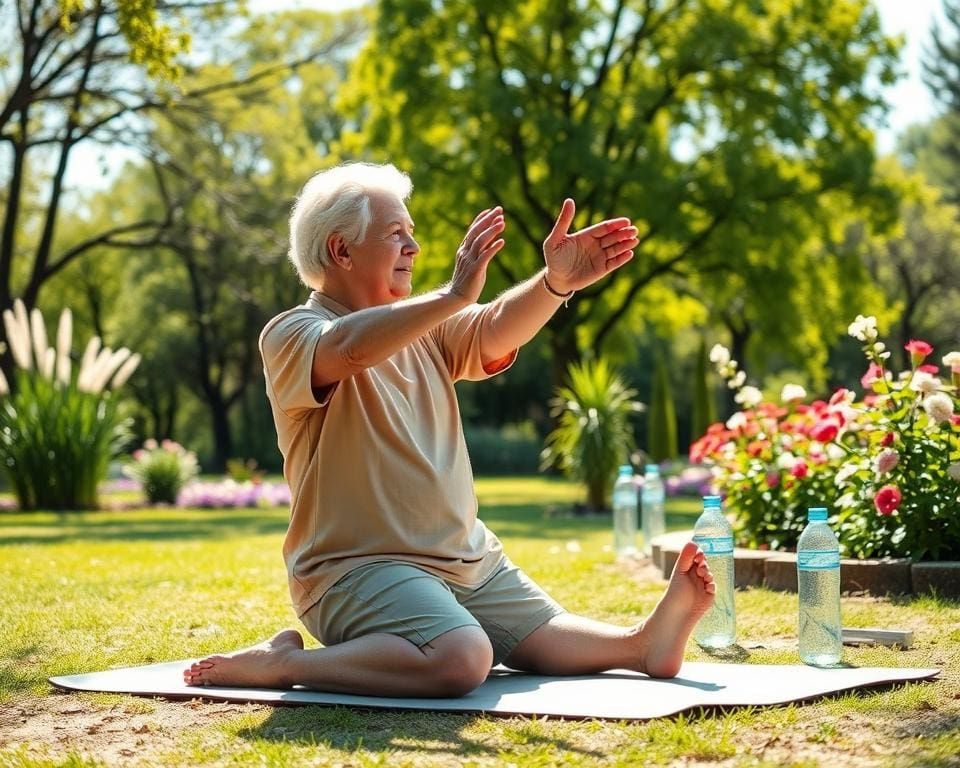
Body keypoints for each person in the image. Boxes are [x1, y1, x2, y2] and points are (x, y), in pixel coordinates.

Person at [183, 162, 716, 697]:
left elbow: (493, 325)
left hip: (465, 559)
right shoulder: (291, 333)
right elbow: (347, 349)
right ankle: (283, 665)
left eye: (411, 233)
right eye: (396, 235)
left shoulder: (426, 329)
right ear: (342, 251)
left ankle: (642, 644)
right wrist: (453, 296)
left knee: (544, 637)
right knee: (462, 657)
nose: (413, 247)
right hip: (354, 573)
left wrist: (555, 285)